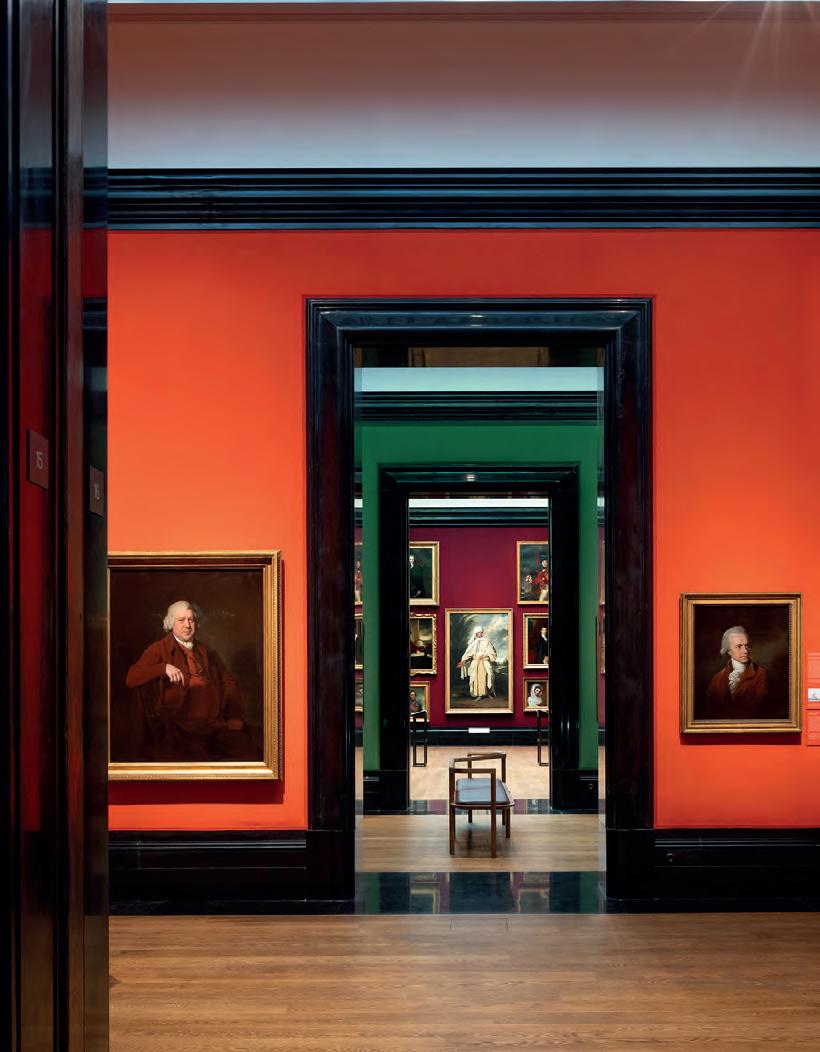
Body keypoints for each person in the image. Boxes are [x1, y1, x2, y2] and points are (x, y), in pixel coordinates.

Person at [125, 600, 252, 761]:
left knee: (249, 752)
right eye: (181, 620)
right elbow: (131, 678)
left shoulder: (205, 650)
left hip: (214, 725)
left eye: (191, 620)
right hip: (180, 729)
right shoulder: (159, 648)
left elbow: (228, 682)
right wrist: (163, 667)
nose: (187, 625)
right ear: (170, 623)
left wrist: (235, 716)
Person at [701, 625, 771, 719]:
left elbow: (758, 709)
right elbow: (709, 711)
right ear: (729, 651)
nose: (745, 651)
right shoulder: (717, 678)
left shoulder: (761, 674)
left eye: (747, 646)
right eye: (739, 646)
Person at [458, 626, 497, 700]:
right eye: (479, 632)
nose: (481, 634)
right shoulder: (473, 643)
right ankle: (479, 695)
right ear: (476, 633)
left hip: (484, 662)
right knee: (476, 678)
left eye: (481, 632)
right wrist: (463, 661)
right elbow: (469, 653)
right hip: (475, 663)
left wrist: (486, 656)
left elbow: (491, 651)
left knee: (488, 676)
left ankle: (488, 693)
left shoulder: (486, 641)